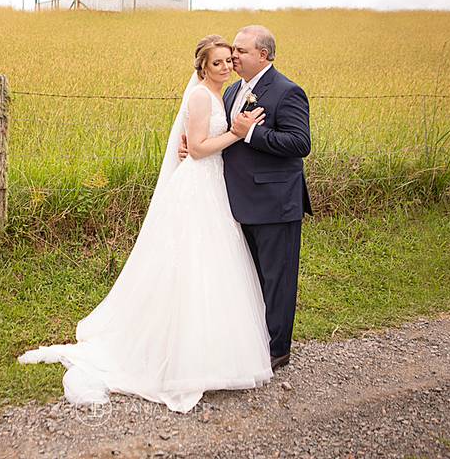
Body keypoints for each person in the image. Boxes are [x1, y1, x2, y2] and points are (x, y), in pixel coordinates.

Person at [18, 35, 273, 413]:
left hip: (211, 187)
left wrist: (225, 135)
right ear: (202, 66)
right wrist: (235, 133)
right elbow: (200, 148)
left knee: (212, 266)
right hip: (199, 186)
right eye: (217, 62)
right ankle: (179, 355)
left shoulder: (222, 94)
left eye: (228, 60)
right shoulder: (202, 96)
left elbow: (196, 143)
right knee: (191, 264)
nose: (225, 66)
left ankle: (212, 353)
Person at [180, 25, 312, 370]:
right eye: (232, 52)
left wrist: (251, 132)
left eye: (240, 51)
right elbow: (219, 134)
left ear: (263, 55)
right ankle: (252, 341)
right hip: (234, 200)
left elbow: (300, 144)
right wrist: (192, 145)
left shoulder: (287, 92)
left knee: (277, 278)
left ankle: (277, 350)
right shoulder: (232, 90)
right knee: (248, 277)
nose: (234, 57)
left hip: (274, 202)